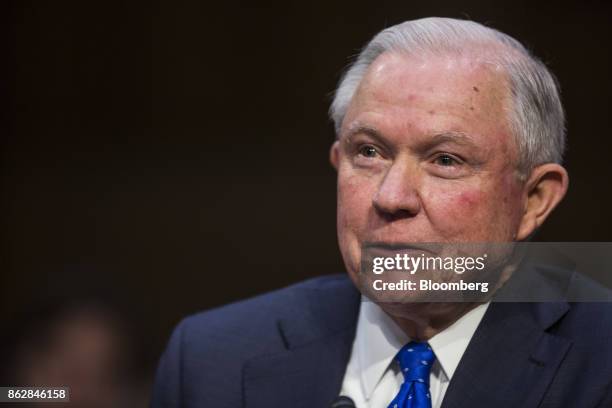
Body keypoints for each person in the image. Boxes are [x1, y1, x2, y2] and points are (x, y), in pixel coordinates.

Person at [151, 17, 612, 408]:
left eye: (445, 160)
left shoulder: (600, 360)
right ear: (337, 163)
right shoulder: (211, 361)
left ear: (534, 200)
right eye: (369, 152)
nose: (392, 197)